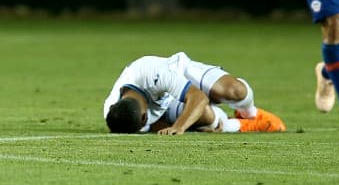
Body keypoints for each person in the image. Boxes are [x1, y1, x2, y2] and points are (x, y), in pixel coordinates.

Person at [104, 52, 287, 134]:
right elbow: (152, 127)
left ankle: (251, 114)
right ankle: (235, 125)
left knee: (235, 91)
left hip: (182, 73)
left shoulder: (151, 73)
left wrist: (180, 126)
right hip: (165, 104)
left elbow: (198, 97)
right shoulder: (115, 115)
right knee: (206, 117)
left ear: (144, 117)